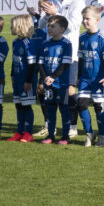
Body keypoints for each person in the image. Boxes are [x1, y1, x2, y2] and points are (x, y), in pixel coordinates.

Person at [40, 0, 85, 137]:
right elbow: (40, 25)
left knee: (69, 91)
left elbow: (72, 26)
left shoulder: (77, 2)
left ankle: (72, 126)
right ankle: (48, 125)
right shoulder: (54, 0)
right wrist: (47, 15)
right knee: (45, 89)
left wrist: (56, 13)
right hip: (50, 54)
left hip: (68, 55)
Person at [76, 5, 104, 147]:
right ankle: (89, 133)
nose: (85, 21)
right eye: (83, 19)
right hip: (85, 78)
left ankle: (102, 135)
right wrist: (78, 76)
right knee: (81, 105)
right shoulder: (82, 38)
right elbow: (80, 59)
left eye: (87, 19)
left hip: (99, 79)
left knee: (99, 107)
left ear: (97, 20)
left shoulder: (102, 38)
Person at [38, 16, 73, 145]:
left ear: (62, 29)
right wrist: (44, 77)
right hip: (48, 83)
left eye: (53, 26)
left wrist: (53, 77)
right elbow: (40, 63)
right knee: (50, 110)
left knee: (64, 109)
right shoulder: (45, 44)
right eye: (48, 26)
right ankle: (50, 135)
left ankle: (65, 136)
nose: (49, 28)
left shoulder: (66, 44)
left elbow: (64, 64)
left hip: (61, 83)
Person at [6, 14, 39, 143]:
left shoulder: (28, 43)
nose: (10, 27)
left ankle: (28, 132)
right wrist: (12, 76)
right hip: (18, 80)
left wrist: (29, 81)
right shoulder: (15, 42)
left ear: (20, 26)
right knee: (18, 105)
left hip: (26, 81)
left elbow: (32, 65)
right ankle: (19, 131)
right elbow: (14, 61)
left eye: (12, 25)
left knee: (26, 106)